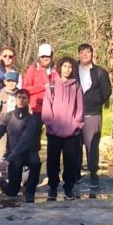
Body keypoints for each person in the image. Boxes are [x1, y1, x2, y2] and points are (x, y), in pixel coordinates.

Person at [42, 56, 84, 201]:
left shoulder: (77, 86)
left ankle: (68, 189)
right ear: (60, 68)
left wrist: (76, 124)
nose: (67, 69)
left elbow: (80, 109)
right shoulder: (51, 86)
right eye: (65, 66)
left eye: (70, 67)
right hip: (53, 133)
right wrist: (51, 124)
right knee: (52, 162)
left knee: (70, 163)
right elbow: (46, 109)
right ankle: (53, 188)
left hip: (72, 133)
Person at [76, 44, 111, 191]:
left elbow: (106, 91)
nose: (85, 55)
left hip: (93, 114)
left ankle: (93, 174)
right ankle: (75, 173)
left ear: (92, 54)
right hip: (74, 114)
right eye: (82, 52)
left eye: (88, 52)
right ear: (78, 54)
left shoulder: (99, 72)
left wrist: (95, 102)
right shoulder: (72, 70)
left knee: (92, 146)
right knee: (75, 146)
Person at [0, 88, 42, 202]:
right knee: (12, 191)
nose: (21, 100)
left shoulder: (32, 120)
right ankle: (0, 180)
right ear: (15, 99)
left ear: (28, 100)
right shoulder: (7, 117)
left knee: (36, 163)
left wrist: (7, 161)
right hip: (14, 156)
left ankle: (30, 191)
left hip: (28, 153)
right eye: (19, 97)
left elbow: (24, 142)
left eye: (24, 98)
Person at [22, 43, 55, 116]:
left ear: (51, 56)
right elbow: (25, 89)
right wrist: (43, 86)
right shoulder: (33, 69)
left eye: (47, 56)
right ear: (39, 57)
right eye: (43, 56)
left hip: (51, 109)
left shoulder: (55, 70)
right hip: (35, 109)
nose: (45, 58)